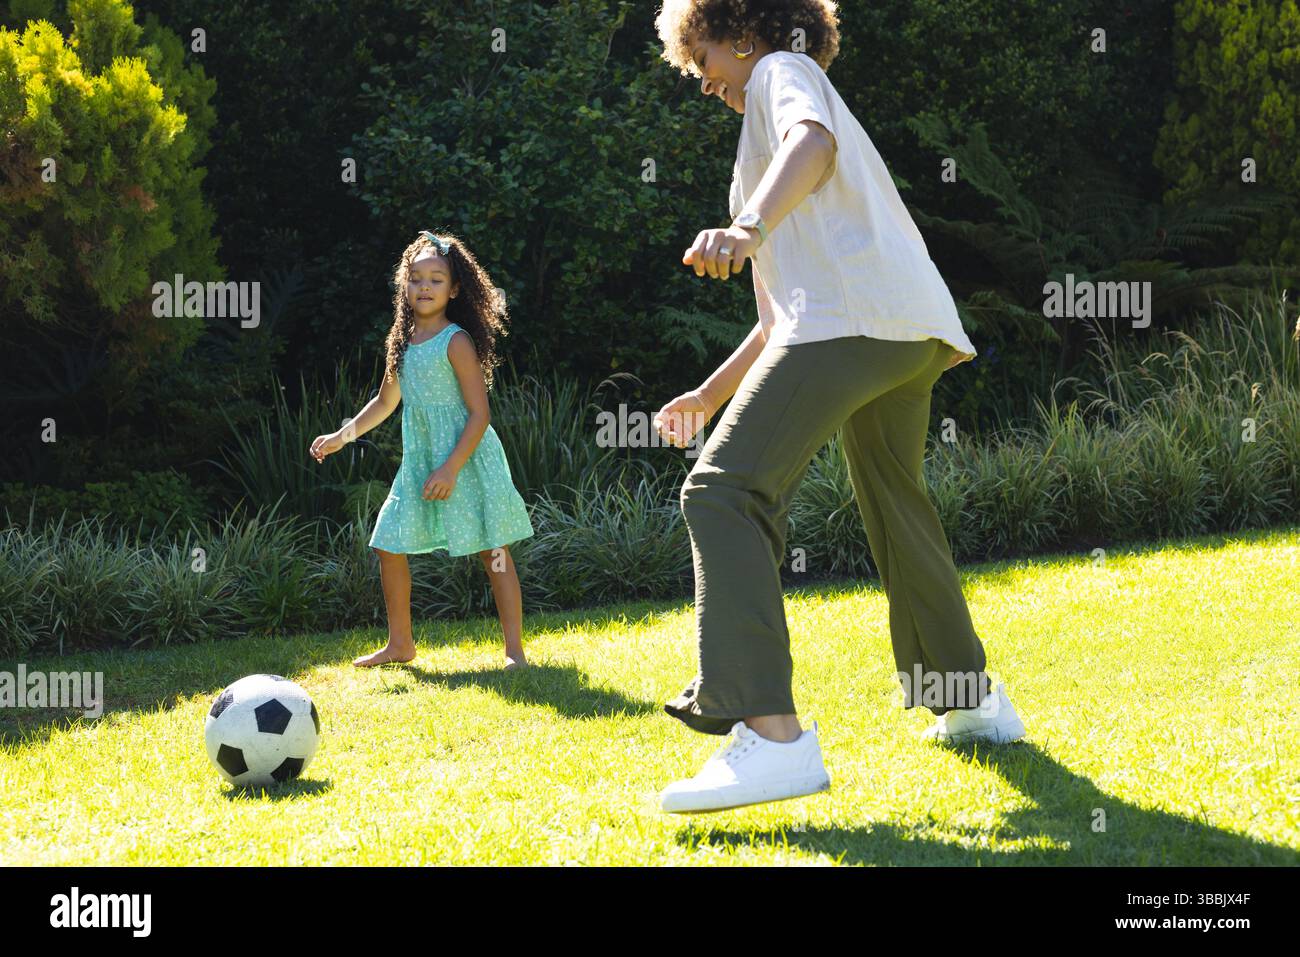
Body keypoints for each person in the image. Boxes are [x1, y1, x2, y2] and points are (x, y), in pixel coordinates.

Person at [649, 0, 1026, 814]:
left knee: (721, 493)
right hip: (903, 327)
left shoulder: (785, 76)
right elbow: (778, 314)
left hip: (855, 321)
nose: (700, 79)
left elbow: (810, 148)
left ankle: (774, 738)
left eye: (702, 58)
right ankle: (972, 700)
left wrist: (744, 224)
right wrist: (711, 394)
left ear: (742, 35)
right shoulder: (773, 125)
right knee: (897, 504)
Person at [310, 230, 534, 670]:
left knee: (494, 552)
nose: (424, 287)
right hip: (421, 462)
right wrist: (342, 436)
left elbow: (480, 414)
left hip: (465, 458)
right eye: (416, 279)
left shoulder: (457, 342)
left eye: (435, 279)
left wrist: (451, 468)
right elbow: (385, 402)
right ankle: (400, 644)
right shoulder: (401, 342)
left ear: (453, 290)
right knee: (388, 542)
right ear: (404, 286)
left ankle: (515, 652)